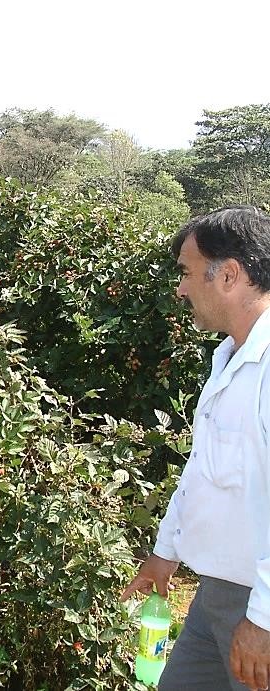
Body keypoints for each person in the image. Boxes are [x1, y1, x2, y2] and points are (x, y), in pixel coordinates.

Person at [121, 206, 270, 690]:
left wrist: (264, 620)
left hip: (255, 602)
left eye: (186, 273)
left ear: (229, 275)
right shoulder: (229, 358)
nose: (181, 288)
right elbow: (205, 469)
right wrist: (166, 551)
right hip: (216, 595)